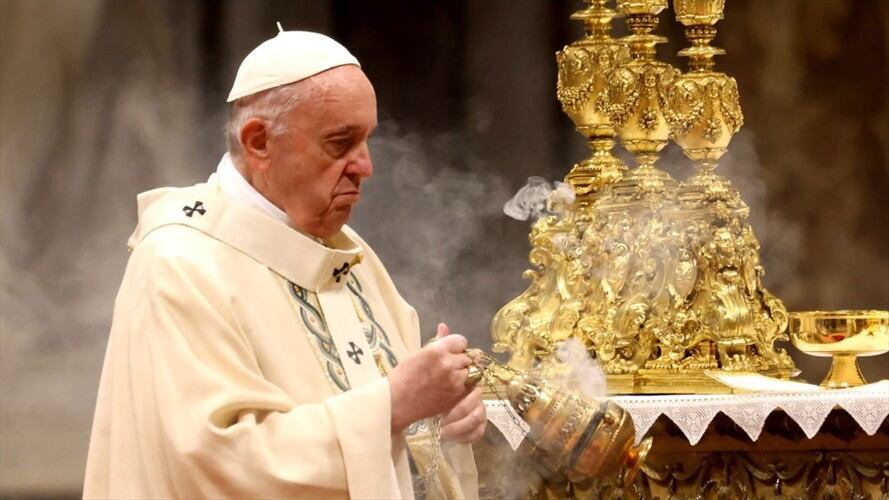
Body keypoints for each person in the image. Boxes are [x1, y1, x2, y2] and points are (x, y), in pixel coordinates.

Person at [84, 28, 485, 499]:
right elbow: (216, 463)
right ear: (258, 142)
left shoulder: (345, 254)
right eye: (340, 143)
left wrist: (438, 420)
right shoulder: (180, 265)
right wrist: (394, 405)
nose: (365, 166)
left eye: (367, 140)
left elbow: (394, 440)